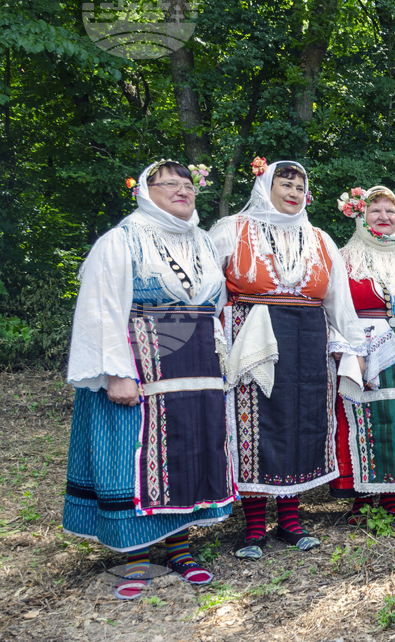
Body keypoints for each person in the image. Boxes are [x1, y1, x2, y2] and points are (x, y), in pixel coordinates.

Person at [64, 160, 234, 600]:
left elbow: (214, 305)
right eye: (170, 185)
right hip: (141, 366)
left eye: (188, 185)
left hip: (195, 366)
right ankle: (135, 554)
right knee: (134, 454)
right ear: (145, 190)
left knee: (188, 448)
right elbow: (101, 308)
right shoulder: (121, 240)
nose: (183, 191)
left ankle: (179, 546)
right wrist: (117, 373)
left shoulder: (202, 241)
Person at [210, 159, 367, 558]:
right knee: (256, 424)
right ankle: (255, 526)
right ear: (266, 185)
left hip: (309, 340)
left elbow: (339, 301)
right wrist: (210, 342)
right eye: (286, 183)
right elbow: (206, 290)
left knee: (302, 422)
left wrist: (354, 350)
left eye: (300, 186)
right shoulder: (232, 230)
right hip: (252, 337)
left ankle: (291, 521)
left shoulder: (320, 238)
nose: (294, 192)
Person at [328, 186, 395, 526]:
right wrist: (350, 348)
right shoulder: (344, 258)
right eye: (375, 211)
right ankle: (362, 497)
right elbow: (335, 308)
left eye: (390, 211)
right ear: (360, 215)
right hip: (364, 344)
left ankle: (392, 495)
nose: (384, 217)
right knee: (364, 416)